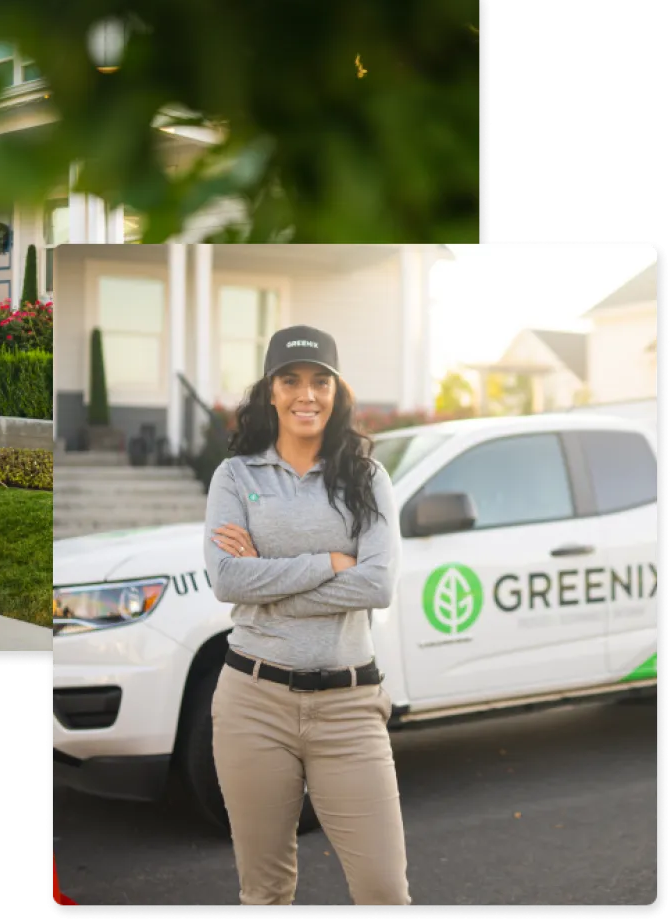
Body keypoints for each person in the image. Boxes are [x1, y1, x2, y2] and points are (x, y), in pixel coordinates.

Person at [204, 324, 410, 907]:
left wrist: (265, 583)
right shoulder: (235, 477)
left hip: (349, 709)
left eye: (321, 380)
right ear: (270, 389)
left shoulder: (368, 478)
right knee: (265, 891)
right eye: (291, 379)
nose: (306, 394)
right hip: (253, 702)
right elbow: (226, 579)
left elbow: (377, 584)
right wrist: (329, 560)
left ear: (338, 391)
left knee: (383, 891)